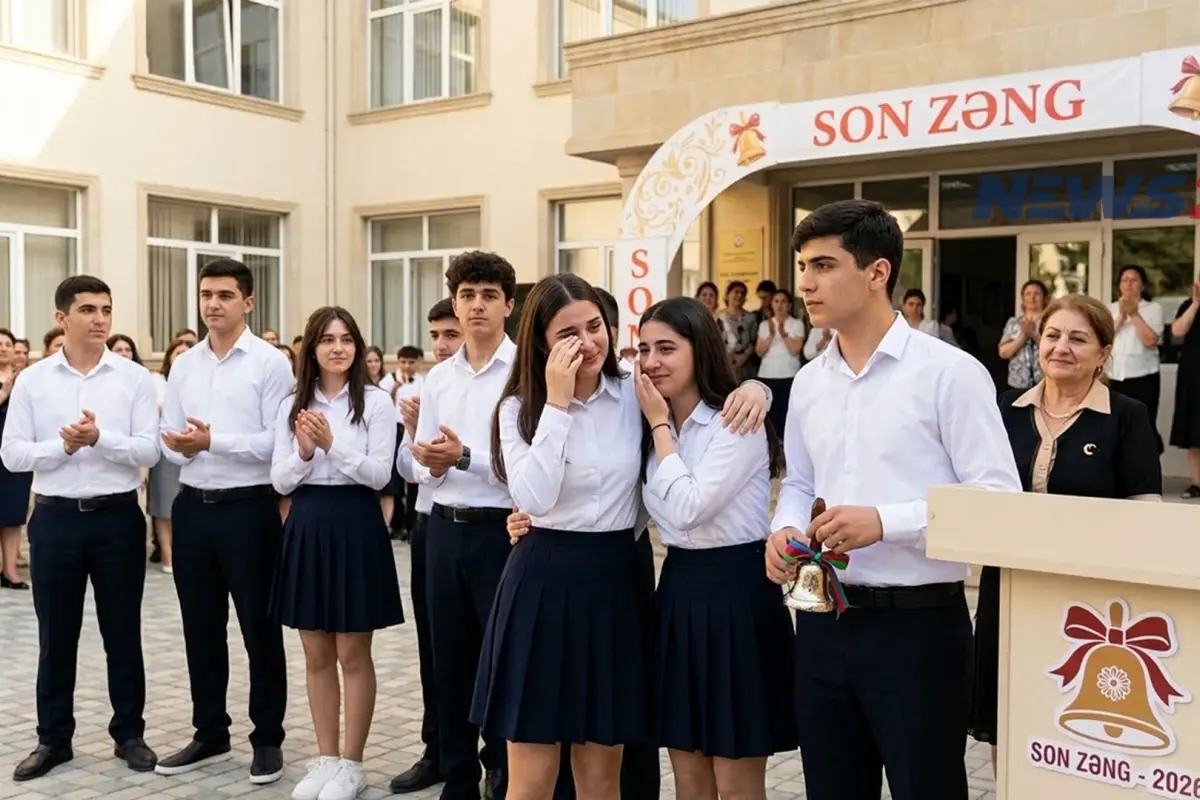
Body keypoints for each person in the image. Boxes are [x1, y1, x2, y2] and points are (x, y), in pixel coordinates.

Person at [763, 200, 1022, 800]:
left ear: (877, 272)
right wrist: (784, 529)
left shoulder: (950, 373)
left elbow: (997, 498)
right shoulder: (809, 381)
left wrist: (886, 522)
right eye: (803, 266)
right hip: (822, 624)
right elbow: (799, 482)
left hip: (919, 631)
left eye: (824, 265)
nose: (805, 283)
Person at [473, 274, 649, 800]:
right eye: (569, 334)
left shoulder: (635, 394)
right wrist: (558, 404)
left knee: (601, 778)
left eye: (595, 327)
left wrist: (756, 388)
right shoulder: (518, 409)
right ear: (541, 343)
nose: (588, 343)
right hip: (542, 584)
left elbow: (704, 395)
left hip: (615, 584)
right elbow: (536, 497)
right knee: (531, 779)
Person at [969, 292, 1162, 772]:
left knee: (1073, 725)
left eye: (1078, 339)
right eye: (1053, 335)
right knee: (1008, 709)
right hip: (1008, 587)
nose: (1061, 347)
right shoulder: (1005, 408)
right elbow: (977, 489)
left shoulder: (1127, 416)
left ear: (1103, 353)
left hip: (1088, 598)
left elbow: (1146, 510)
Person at [2, 275, 161, 781]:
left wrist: (99, 439)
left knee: (123, 630)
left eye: (106, 310)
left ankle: (129, 733)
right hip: (55, 518)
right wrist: (63, 447)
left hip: (118, 518)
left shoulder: (133, 378)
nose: (100, 319)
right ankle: (53, 739)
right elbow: (12, 454)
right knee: (56, 633)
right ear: (61, 317)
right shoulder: (33, 380)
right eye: (88, 309)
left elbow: (149, 449)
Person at [637, 297, 797, 798]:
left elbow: (688, 508)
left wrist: (660, 427)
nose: (652, 361)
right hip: (678, 591)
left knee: (736, 780)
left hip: (737, 594)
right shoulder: (648, 424)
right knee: (688, 777)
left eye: (667, 348)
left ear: (700, 348)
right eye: (644, 349)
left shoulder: (735, 421)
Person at [155, 258, 294, 785]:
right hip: (193, 507)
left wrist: (213, 441)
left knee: (260, 628)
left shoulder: (270, 364)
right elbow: (170, 436)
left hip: (249, 509)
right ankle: (210, 730)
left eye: (225, 295)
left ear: (248, 303)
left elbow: (275, 441)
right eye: (206, 295)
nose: (213, 304)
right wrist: (184, 444)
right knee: (200, 627)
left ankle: (267, 738)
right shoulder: (185, 364)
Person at [271, 306, 404, 800]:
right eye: (327, 339)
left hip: (355, 521)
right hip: (307, 521)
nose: (338, 348)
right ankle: (325, 758)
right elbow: (279, 479)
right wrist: (305, 453)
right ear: (312, 347)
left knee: (352, 650)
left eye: (346, 339)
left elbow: (380, 474)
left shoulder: (376, 402)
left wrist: (331, 445)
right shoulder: (292, 403)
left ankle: (352, 762)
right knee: (316, 651)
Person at [410, 251, 520, 800]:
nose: (477, 306)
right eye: (467, 296)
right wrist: (432, 463)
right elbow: (416, 462)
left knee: (501, 657)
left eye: (489, 296)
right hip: (443, 528)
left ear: (509, 305)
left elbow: (526, 467)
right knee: (447, 658)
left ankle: (503, 768)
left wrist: (463, 457)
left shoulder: (525, 372)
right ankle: (457, 776)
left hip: (502, 531)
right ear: (455, 303)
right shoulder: (438, 378)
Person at [389, 298, 464, 795]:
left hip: (483, 525)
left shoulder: (501, 380)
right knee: (435, 647)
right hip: (429, 524)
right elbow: (405, 467)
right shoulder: (428, 386)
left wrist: (450, 457)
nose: (440, 345)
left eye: (449, 334)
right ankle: (438, 750)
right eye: (435, 335)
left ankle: (496, 759)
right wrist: (417, 437)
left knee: (484, 651)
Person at [1108, 265, 1164, 454]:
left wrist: (1133, 314)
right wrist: (1121, 316)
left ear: (1143, 286)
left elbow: (1150, 341)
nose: (1129, 284)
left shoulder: (1153, 308)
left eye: (1134, 280)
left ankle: (1147, 467)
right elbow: (1104, 339)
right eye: (1125, 280)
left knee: (1144, 426)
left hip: (1143, 376)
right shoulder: (1110, 309)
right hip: (1114, 376)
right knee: (1115, 427)